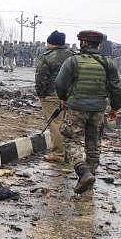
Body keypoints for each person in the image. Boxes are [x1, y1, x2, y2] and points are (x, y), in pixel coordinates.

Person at [55, 30, 121, 194]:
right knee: (93, 144)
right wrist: (115, 108)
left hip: (76, 107)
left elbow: (59, 84)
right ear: (99, 44)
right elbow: (117, 89)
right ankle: (89, 181)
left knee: (71, 141)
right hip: (99, 109)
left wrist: (63, 98)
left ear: (83, 43)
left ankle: (83, 173)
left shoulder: (72, 61)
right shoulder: (108, 63)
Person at [35, 30, 74, 163]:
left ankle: (58, 154)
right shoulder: (73, 56)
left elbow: (41, 78)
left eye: (48, 42)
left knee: (55, 124)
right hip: (71, 96)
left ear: (52, 43)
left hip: (52, 95)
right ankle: (70, 153)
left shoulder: (47, 57)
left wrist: (41, 95)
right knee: (68, 124)